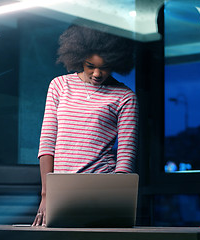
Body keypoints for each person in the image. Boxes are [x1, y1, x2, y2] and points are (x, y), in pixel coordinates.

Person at [32, 25, 138, 226]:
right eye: (90, 65)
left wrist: (118, 201)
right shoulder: (59, 86)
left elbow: (126, 155)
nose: (97, 73)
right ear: (78, 57)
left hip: (102, 188)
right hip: (60, 190)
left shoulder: (125, 97)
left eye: (104, 67)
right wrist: (46, 195)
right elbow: (47, 144)